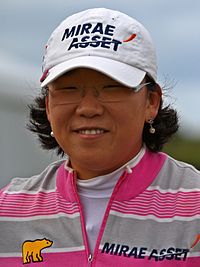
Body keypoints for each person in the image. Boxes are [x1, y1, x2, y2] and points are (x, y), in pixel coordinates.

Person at [0, 7, 200, 267]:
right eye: (69, 89)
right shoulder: (7, 211)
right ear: (48, 106)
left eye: (111, 87)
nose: (88, 109)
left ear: (151, 101)